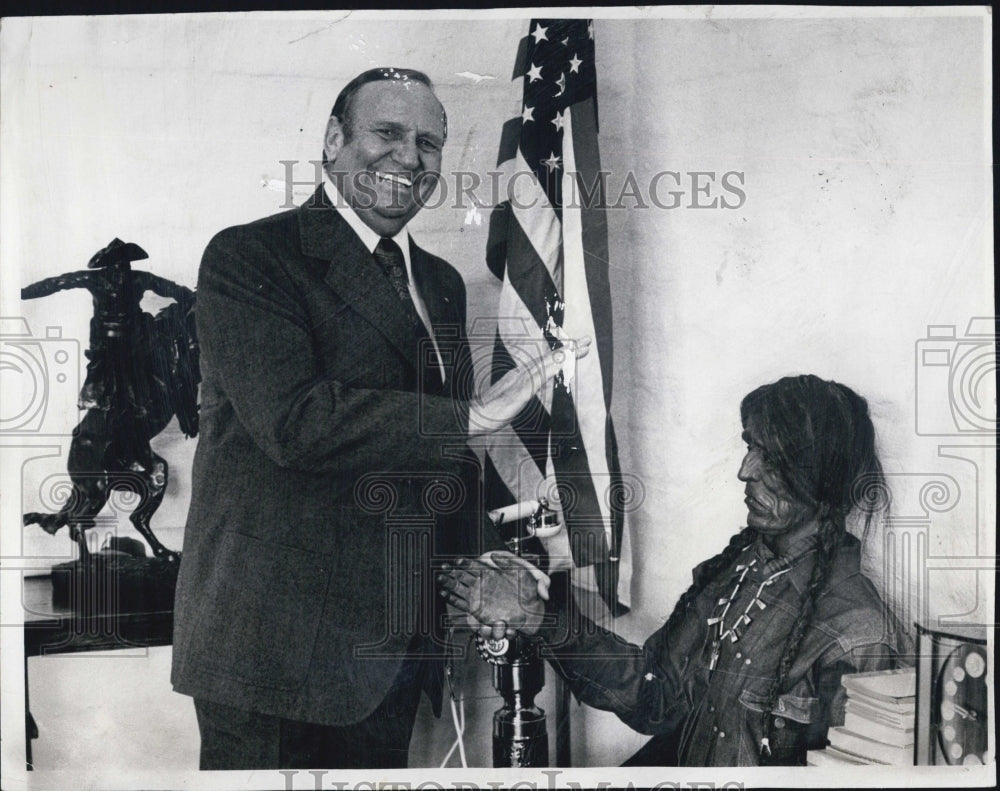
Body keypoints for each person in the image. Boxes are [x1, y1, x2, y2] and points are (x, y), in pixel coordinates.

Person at [171, 67, 581, 769]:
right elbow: (295, 422)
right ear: (333, 140)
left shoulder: (441, 283)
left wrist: (487, 549)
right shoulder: (250, 257)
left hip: (388, 661)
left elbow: (441, 454)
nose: (410, 158)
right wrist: (469, 415)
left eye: (429, 142)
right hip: (273, 659)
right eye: (387, 133)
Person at [440, 374, 913, 766]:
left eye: (770, 457)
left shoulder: (862, 637)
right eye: (750, 447)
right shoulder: (740, 569)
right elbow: (656, 695)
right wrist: (534, 616)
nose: (745, 470)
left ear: (821, 473)